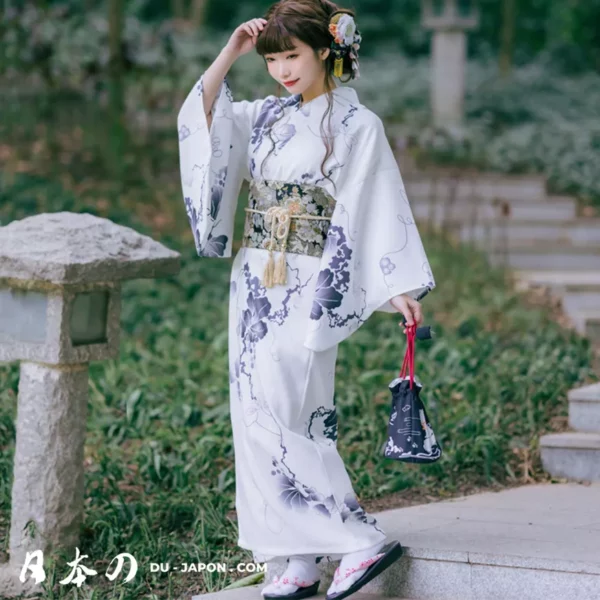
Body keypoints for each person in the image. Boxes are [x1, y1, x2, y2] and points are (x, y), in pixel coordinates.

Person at [177, 1, 436, 598]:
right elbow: (204, 119)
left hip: (312, 280)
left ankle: (357, 539)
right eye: (272, 59)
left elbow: (375, 201)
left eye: (291, 55)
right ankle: (296, 558)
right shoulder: (266, 115)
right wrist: (231, 53)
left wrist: (396, 284)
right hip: (255, 280)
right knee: (256, 413)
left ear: (325, 49)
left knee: (291, 410)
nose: (282, 71)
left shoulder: (357, 125)